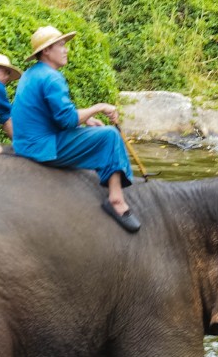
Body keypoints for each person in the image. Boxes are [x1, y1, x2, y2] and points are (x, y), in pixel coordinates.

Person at [12, 25, 139, 231]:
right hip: (42, 147)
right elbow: (67, 120)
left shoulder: (32, 73)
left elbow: (55, 113)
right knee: (109, 135)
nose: (66, 50)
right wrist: (99, 107)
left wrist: (86, 119)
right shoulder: (52, 77)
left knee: (96, 130)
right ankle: (116, 199)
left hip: (26, 142)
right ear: (46, 51)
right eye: (61, 45)